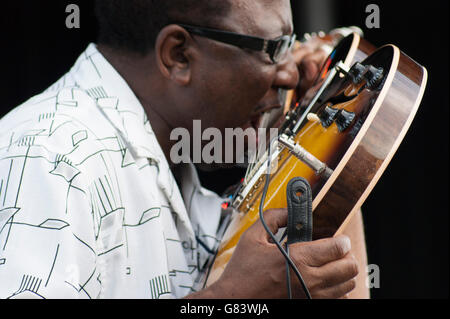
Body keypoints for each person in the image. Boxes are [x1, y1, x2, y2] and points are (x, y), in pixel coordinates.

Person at [0, 0, 368, 299]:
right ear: (178, 55)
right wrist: (235, 298)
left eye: (292, 45)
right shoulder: (46, 157)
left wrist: (324, 122)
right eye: (274, 49)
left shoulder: (177, 171)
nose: (290, 74)